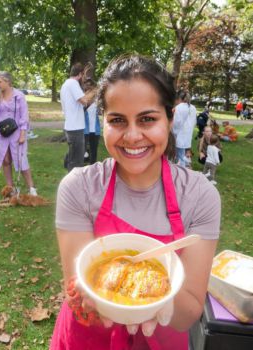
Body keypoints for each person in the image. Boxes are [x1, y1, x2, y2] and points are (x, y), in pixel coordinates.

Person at [50, 54, 220, 350]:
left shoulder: (200, 195)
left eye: (147, 119)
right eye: (117, 120)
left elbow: (189, 312)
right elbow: (81, 292)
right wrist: (93, 300)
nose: (132, 136)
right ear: (101, 122)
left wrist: (156, 297)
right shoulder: (78, 188)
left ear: (169, 119)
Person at [0, 72, 37, 195]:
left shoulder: (18, 96)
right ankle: (10, 189)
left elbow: (24, 116)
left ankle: (32, 188)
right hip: (0, 133)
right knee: (5, 160)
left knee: (20, 160)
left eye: (0, 81)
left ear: (8, 82)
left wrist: (22, 134)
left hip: (16, 132)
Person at [60, 63, 93, 172]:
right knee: (77, 159)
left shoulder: (66, 84)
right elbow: (84, 100)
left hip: (71, 126)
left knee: (72, 155)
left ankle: (70, 176)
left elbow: (81, 103)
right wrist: (94, 91)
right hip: (75, 127)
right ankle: (74, 182)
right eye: (83, 74)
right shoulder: (73, 83)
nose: (84, 77)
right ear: (79, 74)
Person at [172, 90, 197, 167]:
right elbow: (194, 121)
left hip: (179, 134)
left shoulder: (178, 108)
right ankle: (186, 163)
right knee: (182, 151)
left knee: (180, 154)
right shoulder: (193, 107)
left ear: (179, 98)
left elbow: (177, 122)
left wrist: (173, 131)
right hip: (187, 134)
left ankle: (183, 166)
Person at [83, 79, 101, 164]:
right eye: (86, 85)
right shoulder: (83, 100)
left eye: (90, 85)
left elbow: (101, 112)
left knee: (94, 151)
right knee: (83, 150)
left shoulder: (97, 102)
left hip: (95, 130)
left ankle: (92, 166)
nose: (88, 87)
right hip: (85, 130)